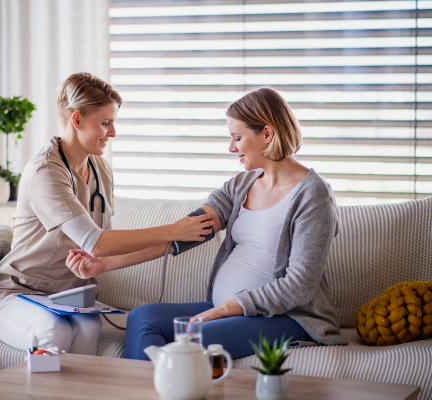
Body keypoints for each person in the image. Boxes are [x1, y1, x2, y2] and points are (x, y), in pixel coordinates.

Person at [66, 87, 348, 360]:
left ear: (267, 134)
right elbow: (183, 234)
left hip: (286, 318)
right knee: (143, 317)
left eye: (237, 137)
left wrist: (226, 309)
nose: (231, 147)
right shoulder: (241, 185)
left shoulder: (313, 194)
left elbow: (298, 286)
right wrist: (105, 264)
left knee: (197, 335)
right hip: (225, 310)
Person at [0, 72, 214, 356]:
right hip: (18, 293)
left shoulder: (101, 169)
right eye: (105, 123)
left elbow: (102, 252)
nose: (113, 133)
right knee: (54, 332)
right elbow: (97, 241)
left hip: (69, 296)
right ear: (77, 120)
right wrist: (174, 230)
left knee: (89, 329)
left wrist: (173, 241)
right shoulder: (46, 171)